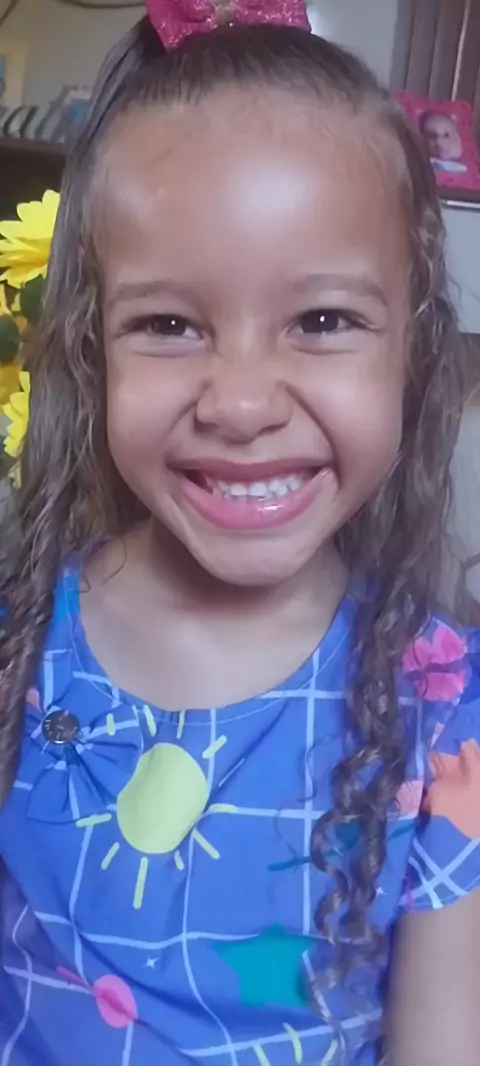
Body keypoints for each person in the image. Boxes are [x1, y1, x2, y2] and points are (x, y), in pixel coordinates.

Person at [0, 2, 479, 1064]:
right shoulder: (17, 651)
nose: (244, 402)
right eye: (169, 324)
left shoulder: (449, 717)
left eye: (322, 321)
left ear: (412, 350)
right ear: (93, 350)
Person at [420, 109, 468, 174]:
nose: (438, 140)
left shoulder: (467, 170)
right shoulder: (424, 165)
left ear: (459, 139)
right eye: (432, 135)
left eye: (446, 135)